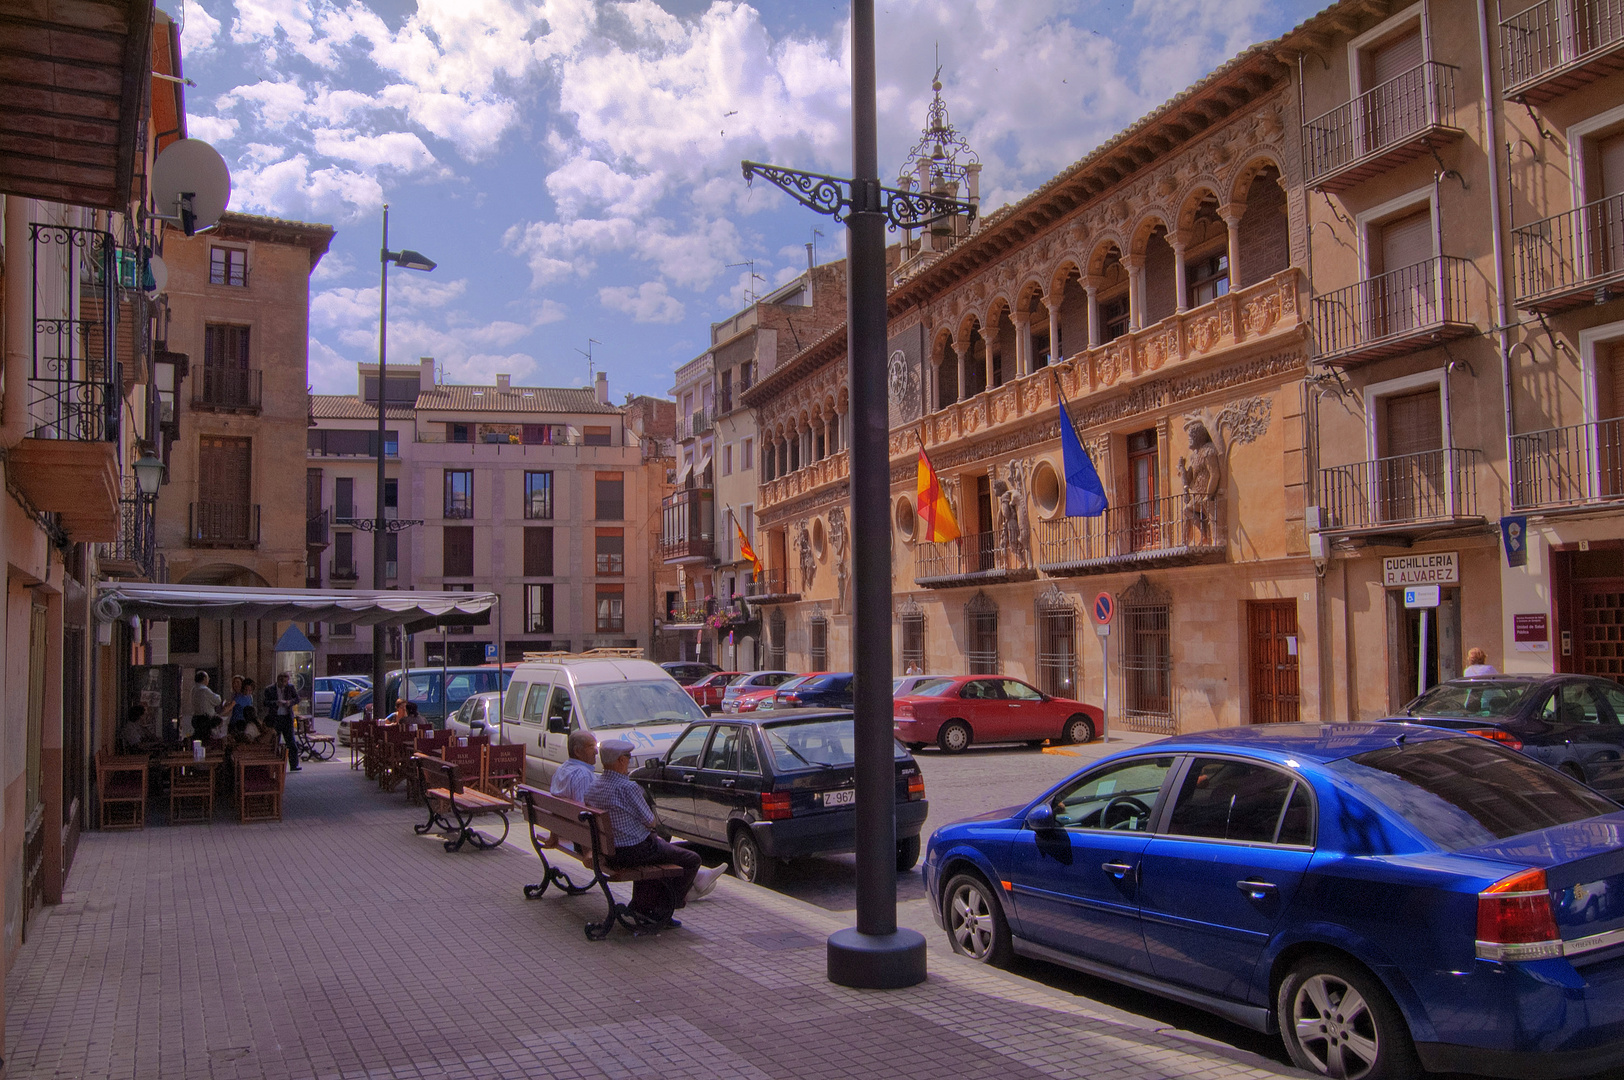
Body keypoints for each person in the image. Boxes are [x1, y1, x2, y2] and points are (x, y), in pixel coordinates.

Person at [584, 740, 727, 925]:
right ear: (620, 760)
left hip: (609, 852)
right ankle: (666, 908)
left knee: (659, 850)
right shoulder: (628, 788)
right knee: (692, 860)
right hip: (635, 851)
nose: (629, 760)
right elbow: (651, 821)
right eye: (628, 757)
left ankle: (641, 906)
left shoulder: (594, 786)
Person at [263, 672, 301, 771]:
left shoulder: (290, 688)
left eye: (285, 681)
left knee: (291, 742)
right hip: (275, 718)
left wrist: (289, 702)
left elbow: (297, 699)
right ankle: (274, 766)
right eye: (282, 681)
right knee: (275, 741)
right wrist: (276, 703)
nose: (284, 684)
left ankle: (294, 765)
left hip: (286, 718)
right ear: (278, 680)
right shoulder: (270, 689)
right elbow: (265, 702)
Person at [551, 729, 598, 803]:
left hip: (561, 813)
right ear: (577, 751)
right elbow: (582, 809)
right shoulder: (583, 775)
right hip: (571, 814)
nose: (596, 752)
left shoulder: (562, 768)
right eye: (591, 747)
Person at [189, 671, 222, 743]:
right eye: (208, 678)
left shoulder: (194, 689)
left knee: (198, 738)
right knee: (205, 739)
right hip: (205, 719)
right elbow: (217, 700)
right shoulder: (204, 689)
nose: (209, 680)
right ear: (204, 678)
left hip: (196, 718)